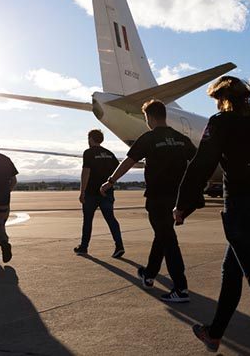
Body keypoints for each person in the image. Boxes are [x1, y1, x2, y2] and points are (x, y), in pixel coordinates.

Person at [175, 76, 250, 356]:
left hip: (241, 213)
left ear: (222, 98)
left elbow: (201, 165)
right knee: (231, 273)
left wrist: (183, 205)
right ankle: (213, 334)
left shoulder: (221, 122)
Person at [100, 99, 195, 302]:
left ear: (149, 117)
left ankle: (181, 289)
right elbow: (197, 163)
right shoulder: (181, 138)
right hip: (176, 198)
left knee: (168, 240)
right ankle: (149, 274)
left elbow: (128, 161)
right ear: (164, 115)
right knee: (162, 235)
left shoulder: (149, 138)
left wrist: (110, 181)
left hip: (157, 197)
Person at [74, 129, 124, 257]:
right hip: (107, 192)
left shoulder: (89, 153)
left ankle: (84, 247)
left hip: (91, 193)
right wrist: (110, 183)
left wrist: (82, 191)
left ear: (91, 139)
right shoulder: (109, 154)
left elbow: (86, 172)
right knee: (111, 219)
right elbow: (117, 171)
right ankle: (119, 245)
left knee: (88, 220)